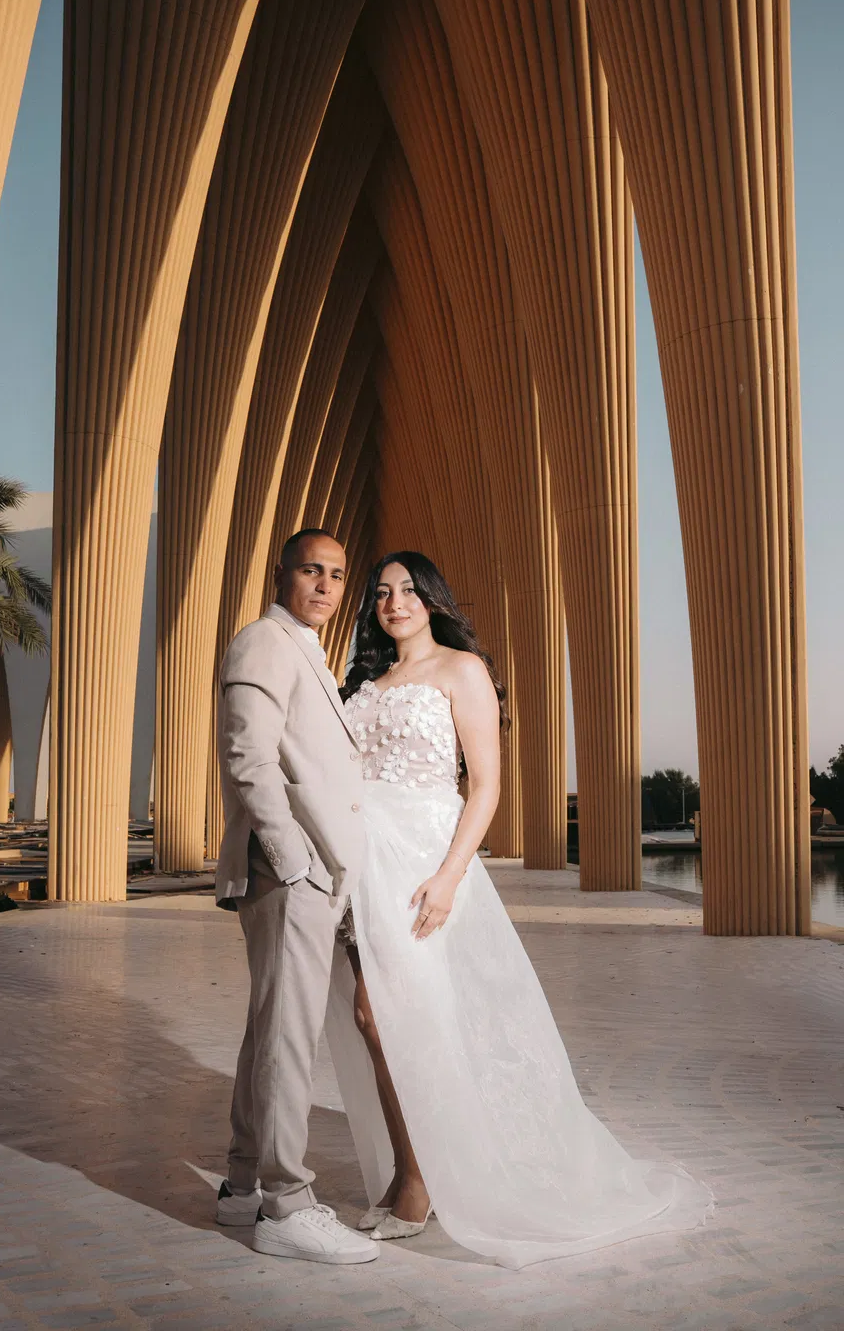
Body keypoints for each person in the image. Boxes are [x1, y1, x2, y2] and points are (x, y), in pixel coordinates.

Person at [324, 551, 713, 1268]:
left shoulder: (461, 671)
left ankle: (420, 1181)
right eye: (380, 592)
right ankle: (413, 1170)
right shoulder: (367, 682)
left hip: (420, 866)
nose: (394, 602)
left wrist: (449, 876)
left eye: (408, 590)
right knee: (377, 1024)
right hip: (362, 868)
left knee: (389, 1016)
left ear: (433, 599)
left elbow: (486, 786)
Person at [214, 528, 379, 1265]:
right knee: (288, 1033)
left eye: (337, 575)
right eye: (311, 570)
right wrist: (295, 861)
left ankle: (242, 1184)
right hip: (290, 870)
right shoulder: (265, 641)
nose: (325, 586)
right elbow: (247, 756)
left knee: (270, 1028)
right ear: (280, 573)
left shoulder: (305, 651)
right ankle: (286, 1206)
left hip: (304, 869)